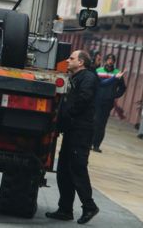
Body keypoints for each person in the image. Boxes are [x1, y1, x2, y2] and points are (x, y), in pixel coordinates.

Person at [46, 49, 100, 224]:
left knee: (77, 168)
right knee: (63, 169)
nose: (68, 60)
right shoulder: (75, 77)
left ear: (81, 62)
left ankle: (89, 206)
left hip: (81, 130)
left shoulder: (88, 78)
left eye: (71, 58)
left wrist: (68, 115)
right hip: (72, 129)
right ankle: (65, 209)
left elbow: (83, 99)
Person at [92, 54, 127, 152]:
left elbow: (123, 87)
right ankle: (90, 142)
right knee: (94, 121)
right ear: (105, 61)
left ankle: (96, 145)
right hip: (96, 100)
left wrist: (115, 95)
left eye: (112, 60)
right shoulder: (98, 71)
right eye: (108, 59)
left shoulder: (118, 73)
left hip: (108, 102)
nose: (110, 62)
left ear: (114, 62)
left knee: (102, 124)